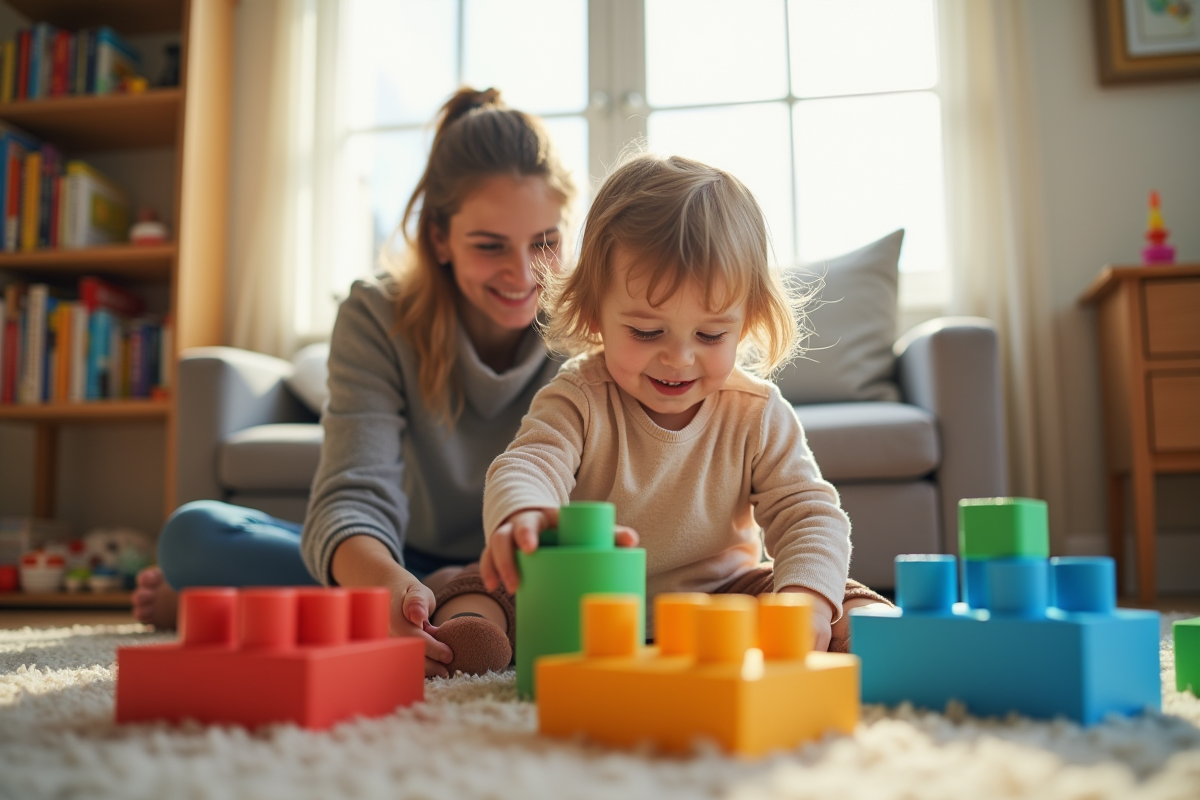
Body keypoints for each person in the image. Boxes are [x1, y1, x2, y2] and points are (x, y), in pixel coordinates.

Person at [133, 87, 577, 678]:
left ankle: (231, 611)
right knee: (192, 535)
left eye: (545, 242)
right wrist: (392, 589)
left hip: (517, 569)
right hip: (395, 557)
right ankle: (427, 598)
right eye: (489, 245)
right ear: (440, 238)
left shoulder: (585, 327)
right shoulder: (376, 314)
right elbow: (354, 493)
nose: (525, 274)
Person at [466, 152, 891, 664]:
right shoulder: (578, 396)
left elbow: (808, 513)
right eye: (647, 331)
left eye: (711, 334)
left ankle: (878, 630)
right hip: (584, 601)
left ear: (747, 321)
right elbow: (529, 463)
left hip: (721, 602)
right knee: (482, 590)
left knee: (833, 594)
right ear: (595, 311)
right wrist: (527, 513)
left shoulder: (756, 412)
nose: (679, 357)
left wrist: (807, 603)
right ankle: (468, 632)